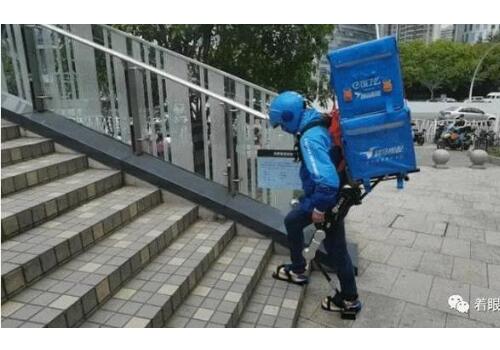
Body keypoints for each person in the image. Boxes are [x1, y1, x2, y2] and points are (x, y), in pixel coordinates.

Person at [269, 91, 362, 315]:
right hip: (329, 193)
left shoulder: (310, 138)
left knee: (336, 249)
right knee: (293, 221)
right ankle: (299, 269)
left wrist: (320, 208)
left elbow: (327, 182)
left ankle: (349, 299)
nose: (282, 129)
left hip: (329, 198)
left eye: (282, 124)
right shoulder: (316, 121)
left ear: (290, 116)